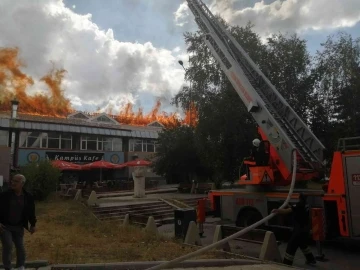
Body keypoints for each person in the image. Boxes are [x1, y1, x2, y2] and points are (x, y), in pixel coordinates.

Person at [0, 174, 37, 270]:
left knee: (20, 247)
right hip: (5, 226)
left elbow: (31, 212)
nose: (13, 183)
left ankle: (20, 266)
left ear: (22, 184)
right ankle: (8, 267)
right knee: (8, 245)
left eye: (16, 181)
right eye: (12, 180)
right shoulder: (5, 195)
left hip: (19, 226)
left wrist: (33, 225)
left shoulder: (28, 197)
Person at [271, 193, 316, 266]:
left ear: (299, 198)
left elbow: (286, 211)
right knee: (302, 244)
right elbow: (294, 209)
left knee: (291, 246)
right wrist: (288, 204)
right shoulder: (306, 204)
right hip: (305, 230)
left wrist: (276, 210)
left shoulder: (299, 205)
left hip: (299, 230)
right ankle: (311, 259)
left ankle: (287, 264)